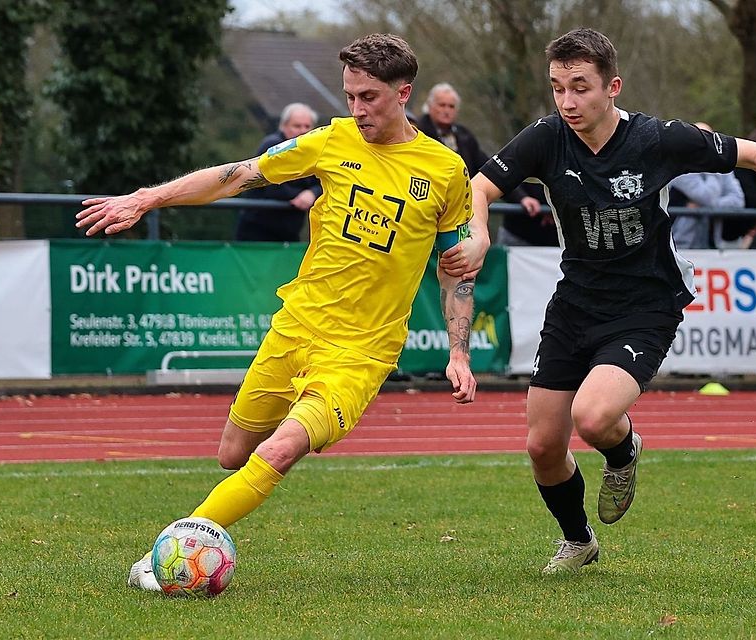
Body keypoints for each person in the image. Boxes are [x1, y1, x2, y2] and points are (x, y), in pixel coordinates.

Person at [440, 28, 756, 574]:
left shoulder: (657, 140)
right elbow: (479, 185)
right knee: (543, 447)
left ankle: (623, 452)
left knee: (593, 419)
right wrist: (478, 234)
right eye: (557, 88)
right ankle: (579, 542)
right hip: (575, 303)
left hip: (645, 303)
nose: (568, 102)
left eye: (581, 87)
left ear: (612, 86)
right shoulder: (546, 139)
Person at [76, 33, 479, 591]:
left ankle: (172, 554)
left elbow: (456, 265)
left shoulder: (445, 170)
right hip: (297, 325)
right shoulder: (332, 141)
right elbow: (239, 174)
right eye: (350, 96)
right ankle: (202, 528)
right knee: (232, 453)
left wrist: (458, 352)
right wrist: (146, 197)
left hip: (361, 351)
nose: (356, 109)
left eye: (368, 97)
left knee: (280, 449)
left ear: (403, 92)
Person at [417, 82, 553, 246]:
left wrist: (522, 198)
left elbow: (492, 171)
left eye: (451, 106)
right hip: (427, 215)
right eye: (442, 105)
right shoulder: (418, 135)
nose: (446, 110)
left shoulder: (464, 137)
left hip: (461, 217)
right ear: (430, 106)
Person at [234, 103, 322, 242]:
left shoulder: (314, 152)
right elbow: (272, 187)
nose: (302, 131)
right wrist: (301, 196)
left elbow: (323, 182)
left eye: (307, 126)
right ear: (284, 126)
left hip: (289, 232)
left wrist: (312, 193)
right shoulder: (272, 146)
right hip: (257, 229)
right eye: (297, 126)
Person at [667, 122, 744, 249]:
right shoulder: (679, 168)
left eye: (708, 138)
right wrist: (714, 169)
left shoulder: (724, 167)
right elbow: (708, 196)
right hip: (682, 245)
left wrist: (705, 206)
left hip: (714, 245)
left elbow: (738, 200)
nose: (704, 144)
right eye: (699, 138)